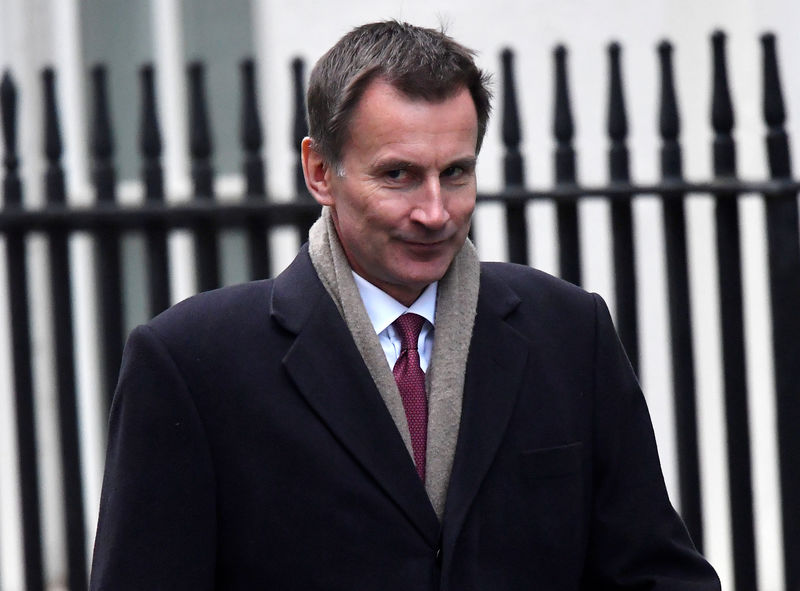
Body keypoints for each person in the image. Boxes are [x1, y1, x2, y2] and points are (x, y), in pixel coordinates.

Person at [90, 20, 720, 590]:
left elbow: (654, 572)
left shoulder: (569, 331)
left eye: (456, 173)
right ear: (319, 171)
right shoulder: (192, 362)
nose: (435, 212)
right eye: (397, 175)